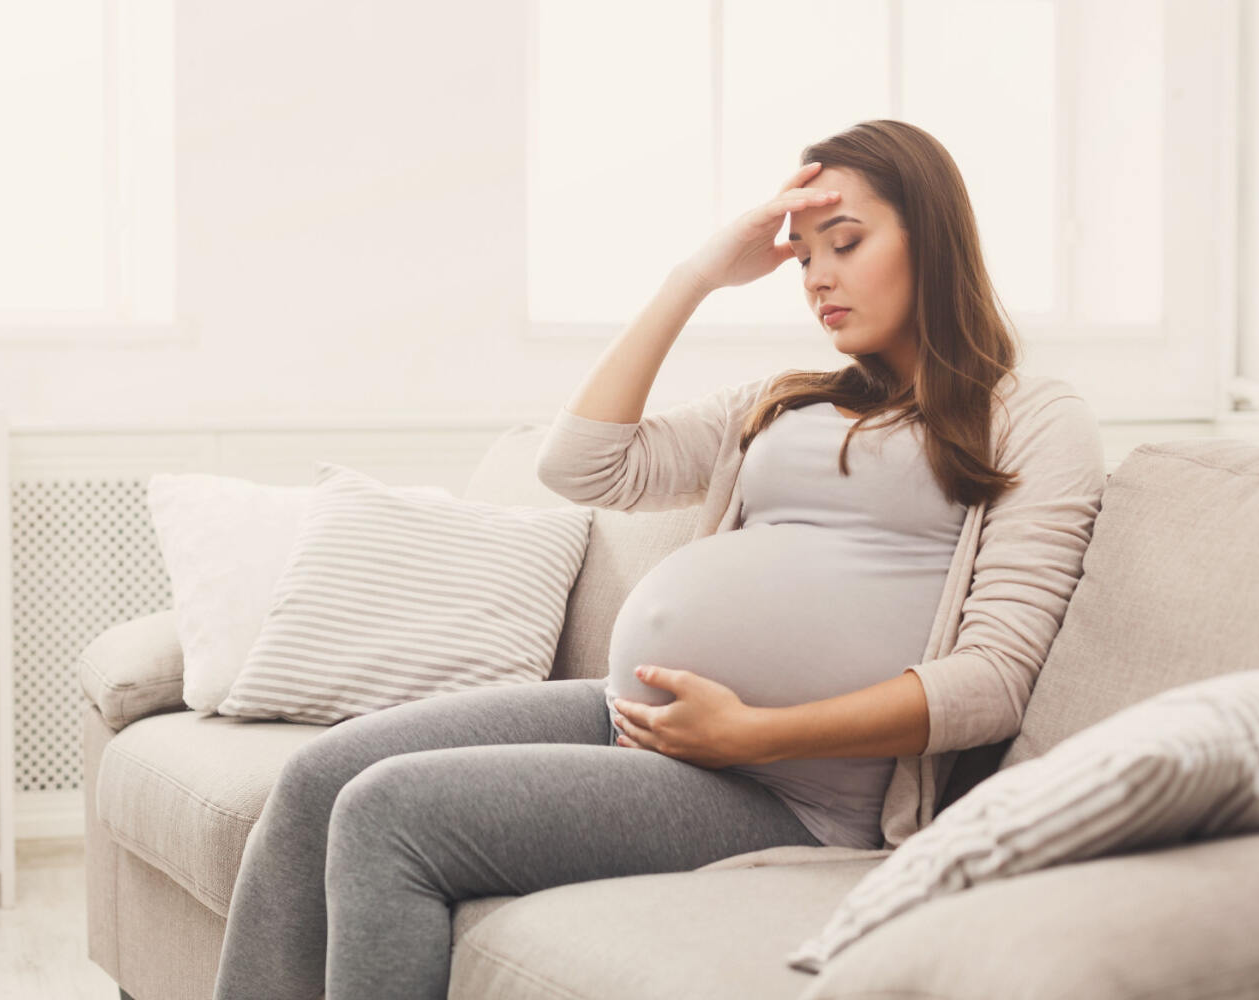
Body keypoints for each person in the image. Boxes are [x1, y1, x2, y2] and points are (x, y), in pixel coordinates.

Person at [211, 119, 1106, 1000]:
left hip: (786, 790)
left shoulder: (1029, 414)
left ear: (935, 237)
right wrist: (698, 276)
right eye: (801, 259)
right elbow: (580, 464)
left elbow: (992, 680)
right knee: (317, 778)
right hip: (636, 725)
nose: (817, 278)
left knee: (388, 815)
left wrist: (755, 734)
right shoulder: (783, 401)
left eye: (845, 243)